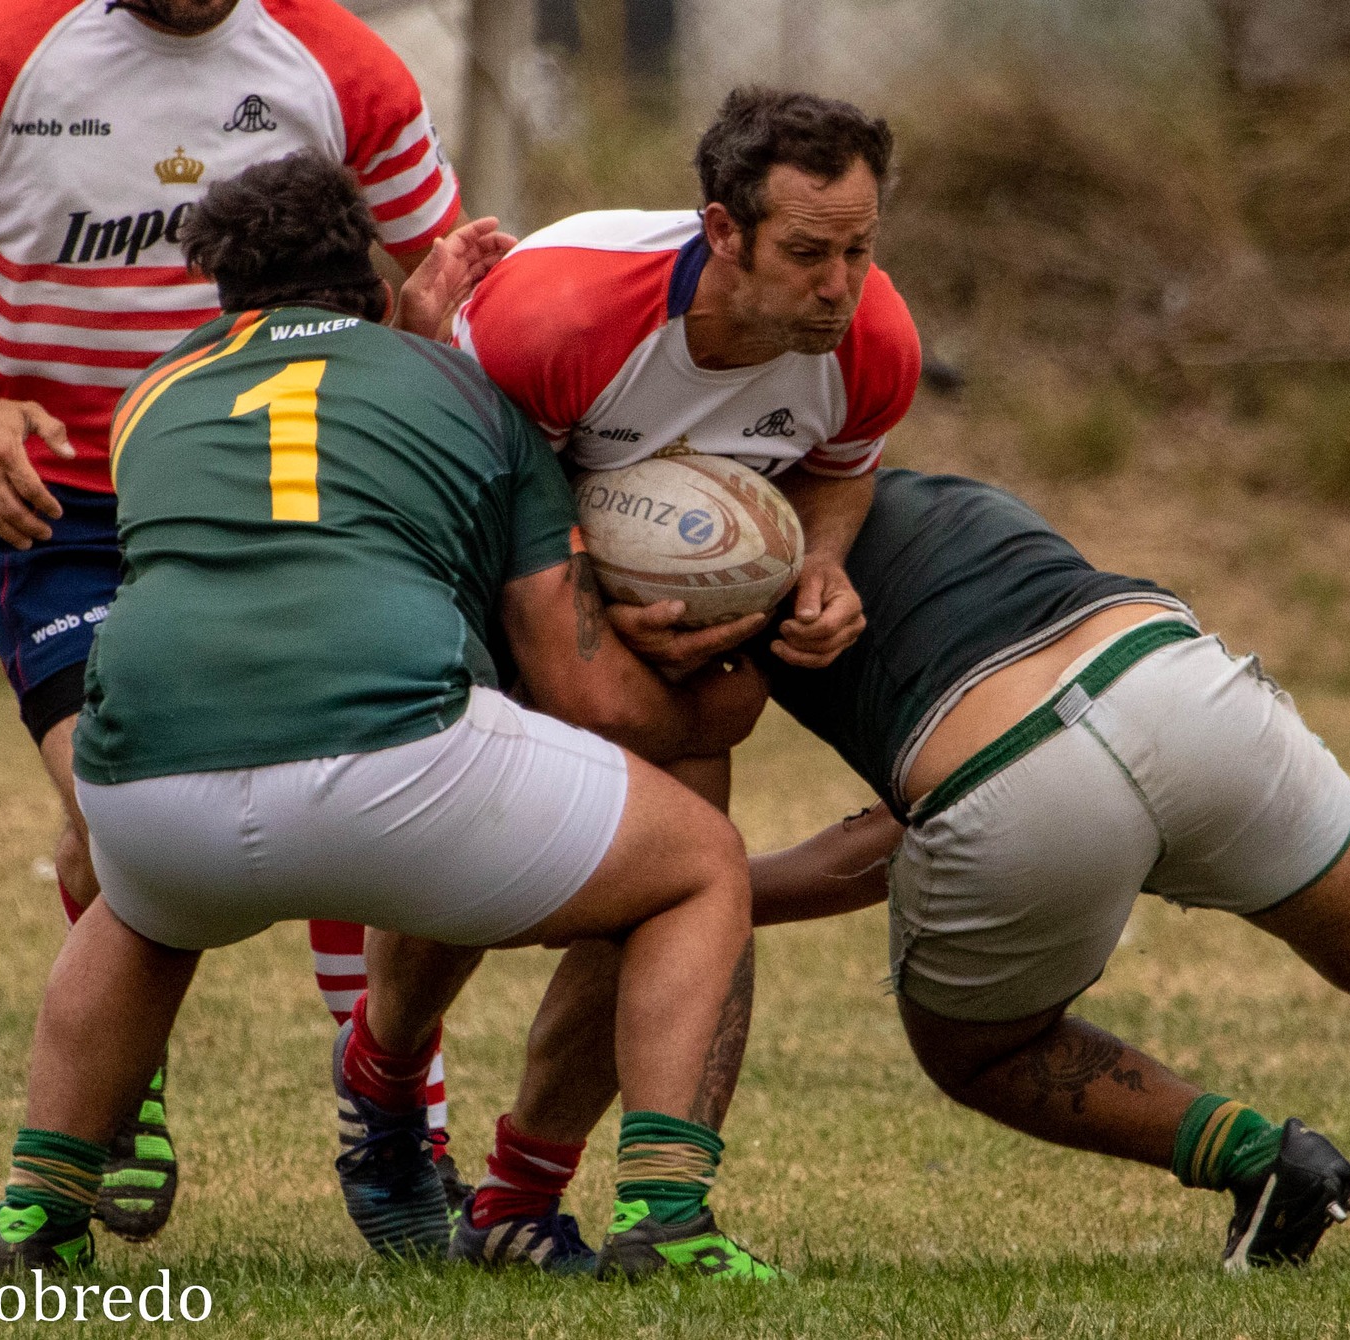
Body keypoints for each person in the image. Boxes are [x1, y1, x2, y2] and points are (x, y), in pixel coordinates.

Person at [480, 468, 1350, 1273]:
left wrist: (695, 892)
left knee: (978, 1050)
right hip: (1186, 685)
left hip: (1023, 774)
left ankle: (1269, 1157)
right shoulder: (937, 504)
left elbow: (901, 826)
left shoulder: (768, 599)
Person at [0, 151, 776, 1282]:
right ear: (368, 268)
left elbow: (300, 418)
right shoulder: (462, 389)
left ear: (221, 292)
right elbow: (584, 688)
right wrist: (730, 683)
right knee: (699, 861)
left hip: (146, 783)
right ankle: (666, 1214)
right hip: (395, 768)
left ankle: (35, 1215)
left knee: (137, 920)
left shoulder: (148, 397)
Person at [0, 0, 500, 1242]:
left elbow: (436, 281)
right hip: (62, 504)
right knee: (116, 809)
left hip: (288, 495)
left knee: (359, 792)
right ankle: (120, 1095)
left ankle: (398, 1132)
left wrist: (430, 328)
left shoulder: (342, 66)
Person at [435, 83, 920, 1268]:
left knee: (679, 888)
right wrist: (593, 596)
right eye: (807, 252)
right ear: (719, 231)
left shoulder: (868, 342)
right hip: (483, 569)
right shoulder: (556, 315)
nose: (838, 285)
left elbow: (840, 472)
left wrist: (816, 570)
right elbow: (460, 488)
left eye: (859, 249)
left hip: (681, 653)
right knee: (456, 874)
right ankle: (389, 1088)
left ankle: (533, 1201)